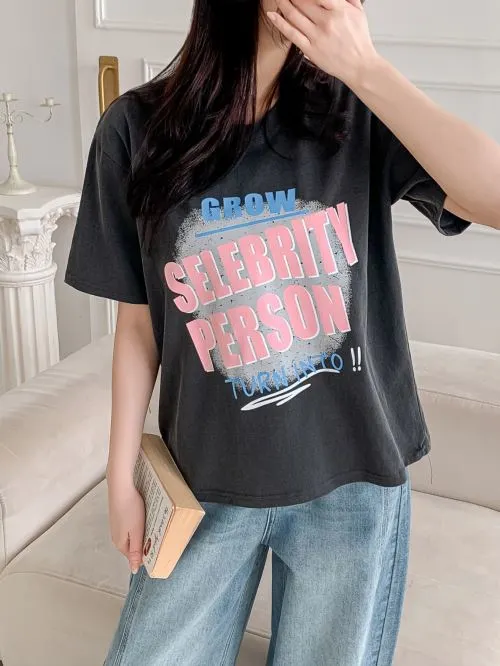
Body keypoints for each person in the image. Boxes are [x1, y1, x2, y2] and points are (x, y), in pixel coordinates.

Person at [65, 1, 500, 664]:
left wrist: (367, 69)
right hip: (206, 480)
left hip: (353, 477)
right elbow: (138, 323)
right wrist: (119, 477)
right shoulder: (134, 128)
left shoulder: (355, 112)